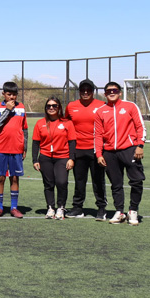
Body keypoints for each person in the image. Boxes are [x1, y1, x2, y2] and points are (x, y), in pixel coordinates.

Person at [94, 81, 146, 225]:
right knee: (116, 184)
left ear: (120, 92)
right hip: (109, 152)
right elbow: (97, 135)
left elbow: (140, 127)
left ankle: (133, 210)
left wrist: (140, 145)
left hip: (130, 149)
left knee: (136, 181)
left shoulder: (130, 106)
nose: (112, 93)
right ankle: (119, 211)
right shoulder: (100, 111)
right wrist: (99, 154)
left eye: (115, 90)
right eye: (108, 91)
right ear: (105, 94)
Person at [65, 79, 107, 218]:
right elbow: (66, 124)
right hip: (78, 149)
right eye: (83, 90)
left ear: (93, 91)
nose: (85, 92)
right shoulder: (71, 106)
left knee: (98, 180)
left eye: (88, 90)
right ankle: (78, 208)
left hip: (96, 149)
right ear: (79, 91)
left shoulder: (101, 105)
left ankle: (101, 208)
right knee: (79, 180)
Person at [32, 98, 77, 219]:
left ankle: (61, 207)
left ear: (59, 107)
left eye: (54, 105)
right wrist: (35, 160)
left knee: (62, 182)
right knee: (48, 184)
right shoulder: (40, 123)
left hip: (62, 157)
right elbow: (35, 143)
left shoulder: (67, 123)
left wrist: (71, 158)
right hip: (45, 157)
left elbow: (72, 142)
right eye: (49, 106)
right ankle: (50, 208)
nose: (51, 108)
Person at [0, 81, 28, 218]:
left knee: (15, 178)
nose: (11, 97)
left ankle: (14, 208)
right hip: (0, 148)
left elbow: (25, 129)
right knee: (0, 178)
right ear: (3, 94)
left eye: (14, 95)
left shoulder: (21, 107)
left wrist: (24, 147)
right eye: (9, 94)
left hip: (16, 148)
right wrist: (7, 110)